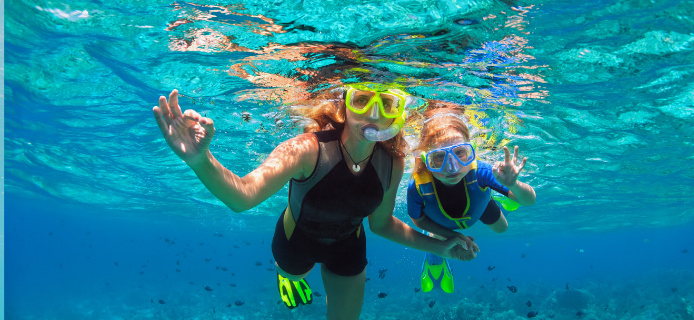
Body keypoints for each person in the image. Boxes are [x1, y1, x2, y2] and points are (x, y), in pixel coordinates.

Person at [151, 83, 476, 320]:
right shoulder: (307, 149)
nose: (374, 114)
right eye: (362, 101)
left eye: (388, 104)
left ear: (398, 115)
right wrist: (199, 159)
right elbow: (243, 196)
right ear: (345, 107)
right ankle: (286, 276)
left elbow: (381, 224)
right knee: (293, 274)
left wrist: (441, 246)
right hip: (296, 243)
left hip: (349, 247)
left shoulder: (393, 162)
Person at [407, 103, 537, 294]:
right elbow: (417, 220)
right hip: (440, 222)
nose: (452, 168)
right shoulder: (418, 186)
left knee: (502, 228)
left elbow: (529, 201)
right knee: (438, 240)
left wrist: (513, 185)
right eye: (439, 157)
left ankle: (501, 193)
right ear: (426, 159)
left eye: (460, 153)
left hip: (479, 204)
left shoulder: (482, 171)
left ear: (472, 151)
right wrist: (454, 236)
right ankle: (434, 256)